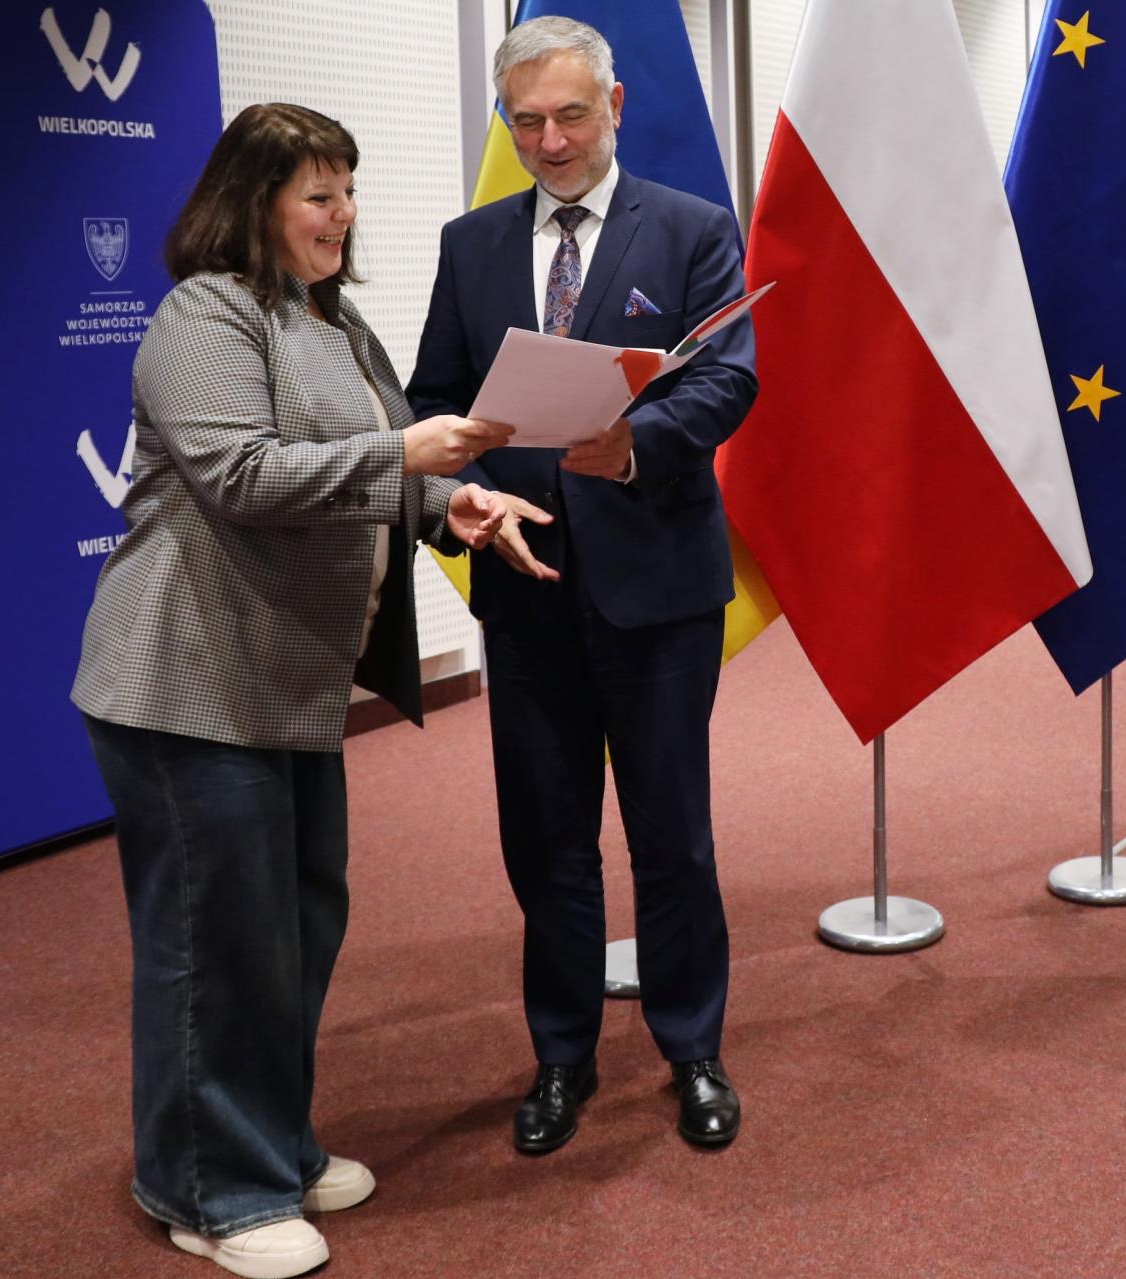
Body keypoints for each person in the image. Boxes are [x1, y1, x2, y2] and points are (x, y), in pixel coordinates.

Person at [71, 103, 512, 1279]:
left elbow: (373, 458)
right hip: (185, 685)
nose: (343, 214)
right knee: (216, 943)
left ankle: (270, 1144)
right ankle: (207, 1189)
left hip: (286, 686)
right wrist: (408, 457)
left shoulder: (330, 315)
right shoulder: (203, 313)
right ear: (253, 203)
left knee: (296, 927)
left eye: (348, 191)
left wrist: (447, 503)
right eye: (320, 195)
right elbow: (243, 474)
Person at [407, 16, 758, 1151]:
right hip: (524, 585)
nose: (550, 142)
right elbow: (432, 396)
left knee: (673, 835)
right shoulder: (471, 244)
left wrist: (639, 444)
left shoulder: (694, 228)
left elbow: (729, 381)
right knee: (546, 837)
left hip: (657, 584)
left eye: (569, 115)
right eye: (526, 122)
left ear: (615, 106)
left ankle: (692, 1047)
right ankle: (561, 1056)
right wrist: (467, 486)